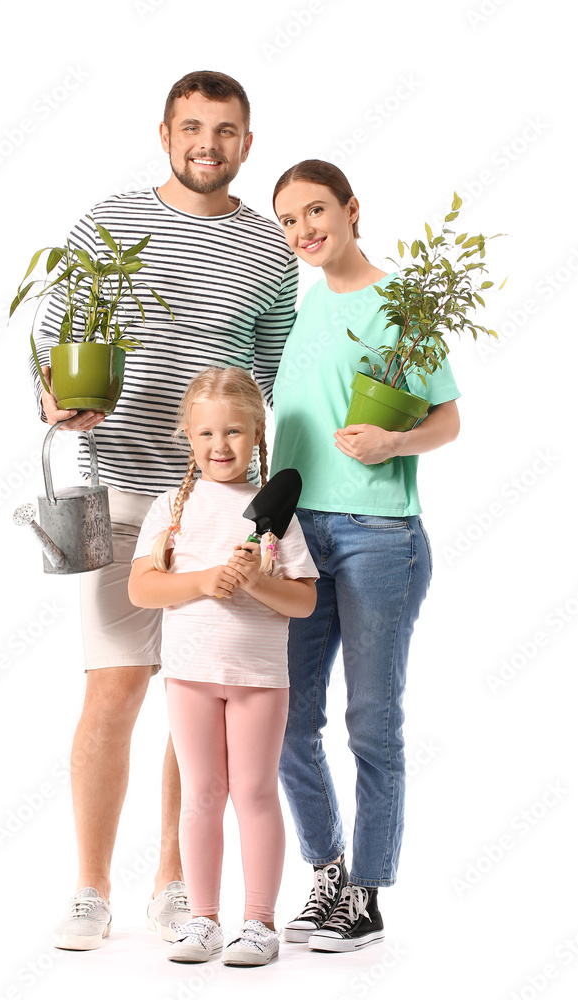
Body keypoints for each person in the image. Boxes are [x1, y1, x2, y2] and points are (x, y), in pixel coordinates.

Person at [30, 71, 298, 950]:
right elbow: (54, 331)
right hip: (119, 485)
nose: (207, 145)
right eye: (192, 128)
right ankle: (89, 888)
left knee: (201, 693)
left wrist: (263, 486)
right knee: (113, 688)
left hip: (215, 496)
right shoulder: (110, 221)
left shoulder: (267, 249)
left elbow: (273, 369)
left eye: (225, 131)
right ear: (164, 134)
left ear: (247, 144)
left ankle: (176, 884)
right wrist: (53, 398)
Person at [270, 160, 461, 952]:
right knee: (286, 716)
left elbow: (447, 419)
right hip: (297, 534)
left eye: (316, 211)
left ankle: (367, 893)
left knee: (371, 723)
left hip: (377, 535)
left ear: (350, 209)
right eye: (288, 221)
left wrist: (394, 441)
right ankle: (326, 870)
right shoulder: (307, 304)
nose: (304, 230)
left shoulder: (402, 304)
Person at [128, 366, 318, 966]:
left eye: (234, 432)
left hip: (259, 677)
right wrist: (207, 580)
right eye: (207, 434)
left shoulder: (276, 513)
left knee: (254, 793)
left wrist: (259, 583)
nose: (220, 446)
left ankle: (259, 921)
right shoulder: (170, 509)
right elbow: (142, 589)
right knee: (202, 796)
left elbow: (306, 599)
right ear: (187, 435)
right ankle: (203, 919)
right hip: (189, 674)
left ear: (257, 433)